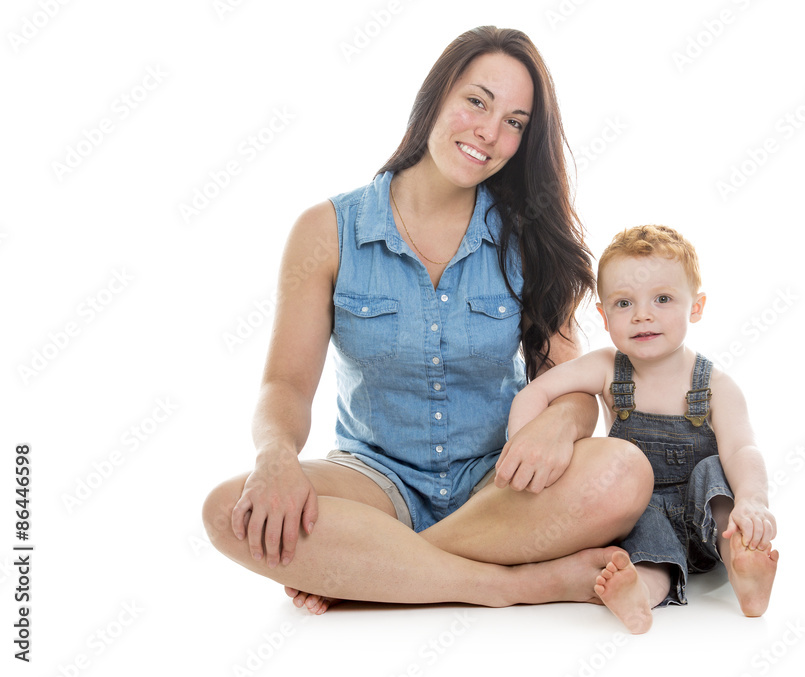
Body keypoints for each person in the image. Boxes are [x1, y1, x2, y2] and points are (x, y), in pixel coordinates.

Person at [201, 26, 654, 614]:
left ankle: (383, 573)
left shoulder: (530, 238)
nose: (489, 134)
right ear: (436, 95)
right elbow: (285, 385)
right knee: (226, 510)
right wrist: (276, 458)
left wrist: (559, 424)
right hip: (372, 483)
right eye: (477, 101)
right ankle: (511, 584)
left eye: (515, 122)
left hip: (499, 489)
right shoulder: (327, 230)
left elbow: (570, 385)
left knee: (623, 471)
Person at [506, 224, 779, 634]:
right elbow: (537, 392)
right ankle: (639, 593)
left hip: (710, 524)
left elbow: (743, 449)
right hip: (643, 515)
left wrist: (753, 501)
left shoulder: (715, 385)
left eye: (663, 299)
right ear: (602, 315)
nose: (642, 315)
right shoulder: (604, 368)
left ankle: (743, 567)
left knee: (714, 474)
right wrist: (521, 443)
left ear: (697, 307)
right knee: (642, 542)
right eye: (623, 303)